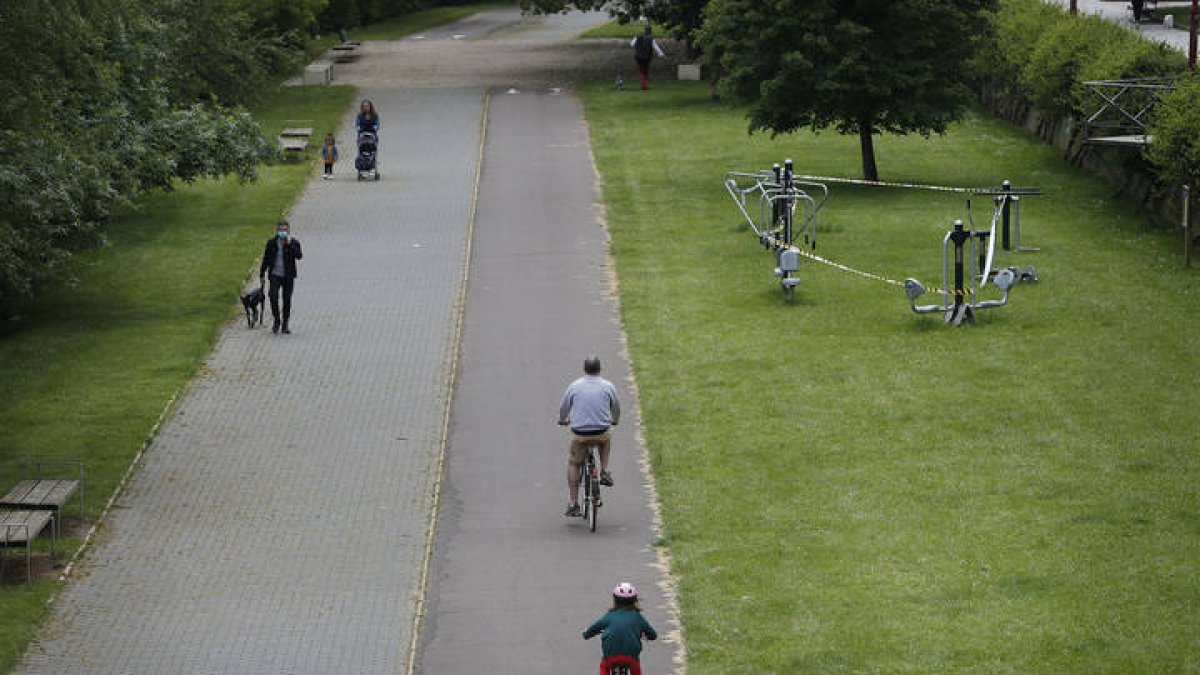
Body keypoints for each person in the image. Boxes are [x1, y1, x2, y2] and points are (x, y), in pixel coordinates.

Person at [557, 355, 620, 517]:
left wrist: (563, 419)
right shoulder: (608, 386)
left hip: (580, 433)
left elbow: (564, 407)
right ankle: (604, 470)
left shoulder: (574, 386)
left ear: (584, 369)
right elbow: (616, 407)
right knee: (606, 439)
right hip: (601, 431)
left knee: (574, 463)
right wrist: (615, 419)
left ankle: (573, 503)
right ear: (600, 369)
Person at [582, 582, 657, 675]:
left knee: (604, 667)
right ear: (635, 600)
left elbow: (594, 628)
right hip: (631, 658)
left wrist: (586, 634)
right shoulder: (638, 617)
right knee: (636, 668)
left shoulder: (609, 616)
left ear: (614, 600)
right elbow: (653, 635)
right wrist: (646, 635)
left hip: (610, 657)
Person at [259, 220, 303, 334]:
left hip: (288, 276)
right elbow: (266, 259)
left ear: (288, 231)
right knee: (272, 295)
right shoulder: (271, 243)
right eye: (280, 230)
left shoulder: (294, 242)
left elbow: (299, 256)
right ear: (277, 231)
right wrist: (262, 274)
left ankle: (285, 323)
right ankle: (276, 320)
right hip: (275, 274)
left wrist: (289, 245)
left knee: (286, 299)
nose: (282, 232)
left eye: (284, 230)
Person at [629, 26, 665, 91]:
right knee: (645, 71)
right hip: (647, 57)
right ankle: (644, 86)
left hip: (638, 57)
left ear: (644, 31)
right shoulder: (651, 39)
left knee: (642, 71)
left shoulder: (637, 37)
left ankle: (644, 85)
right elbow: (656, 48)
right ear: (650, 32)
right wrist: (661, 54)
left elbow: (631, 44)